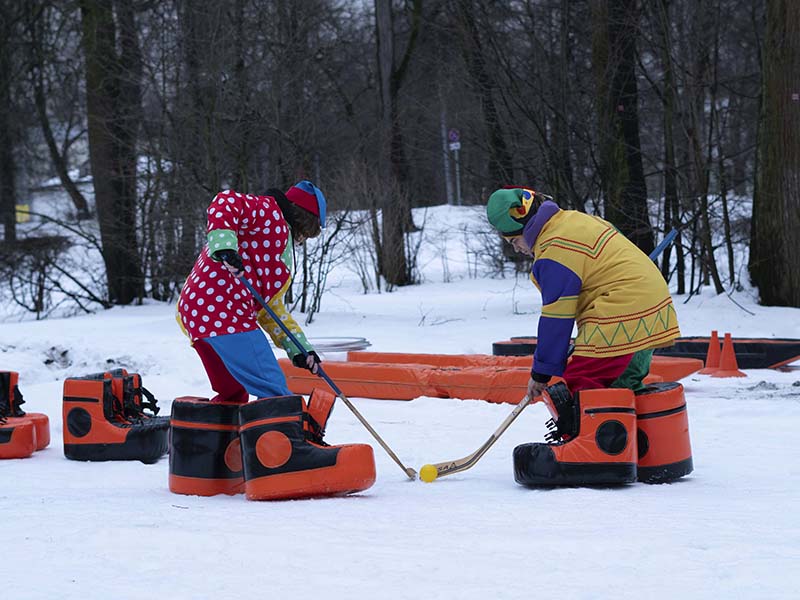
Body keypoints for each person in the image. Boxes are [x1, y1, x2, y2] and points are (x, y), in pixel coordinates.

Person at [485, 186, 681, 407]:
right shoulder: (575, 220)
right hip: (651, 307)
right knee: (623, 386)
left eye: (514, 241)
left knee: (582, 386)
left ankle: (587, 441)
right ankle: (638, 440)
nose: (518, 249)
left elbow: (556, 317)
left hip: (622, 311)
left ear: (524, 227)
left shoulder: (553, 250)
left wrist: (541, 373)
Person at [177, 181, 327, 403]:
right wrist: (225, 246)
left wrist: (300, 349)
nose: (302, 240)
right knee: (274, 392)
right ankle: (284, 436)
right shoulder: (269, 211)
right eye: (308, 234)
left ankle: (221, 436)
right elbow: (225, 201)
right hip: (224, 313)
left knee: (233, 392)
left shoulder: (276, 248)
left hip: (199, 312)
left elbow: (269, 309)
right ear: (306, 220)